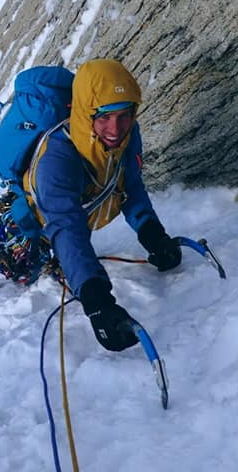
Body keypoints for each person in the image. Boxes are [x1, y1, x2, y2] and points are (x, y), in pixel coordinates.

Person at [25, 58, 181, 352]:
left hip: (78, 214)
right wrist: (98, 303)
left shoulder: (128, 134)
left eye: (125, 115)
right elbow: (67, 228)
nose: (116, 128)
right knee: (21, 265)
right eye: (104, 117)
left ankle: (67, 264)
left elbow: (131, 188)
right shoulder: (56, 159)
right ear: (85, 115)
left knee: (65, 256)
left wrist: (153, 236)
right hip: (36, 219)